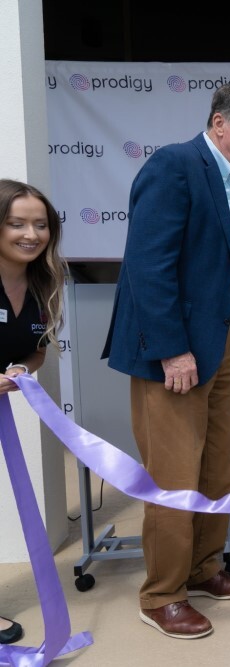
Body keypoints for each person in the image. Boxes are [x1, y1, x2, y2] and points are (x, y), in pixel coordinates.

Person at [103, 84, 230, 639]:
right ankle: (161, 594)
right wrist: (173, 348)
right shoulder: (175, 166)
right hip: (172, 350)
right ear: (220, 123)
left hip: (219, 345)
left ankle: (203, 570)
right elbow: (147, 265)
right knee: (175, 479)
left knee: (218, 469)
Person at [0, 179, 67, 647]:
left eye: (40, 224)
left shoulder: (44, 281)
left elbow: (38, 349)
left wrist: (24, 366)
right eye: (17, 223)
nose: (31, 233)